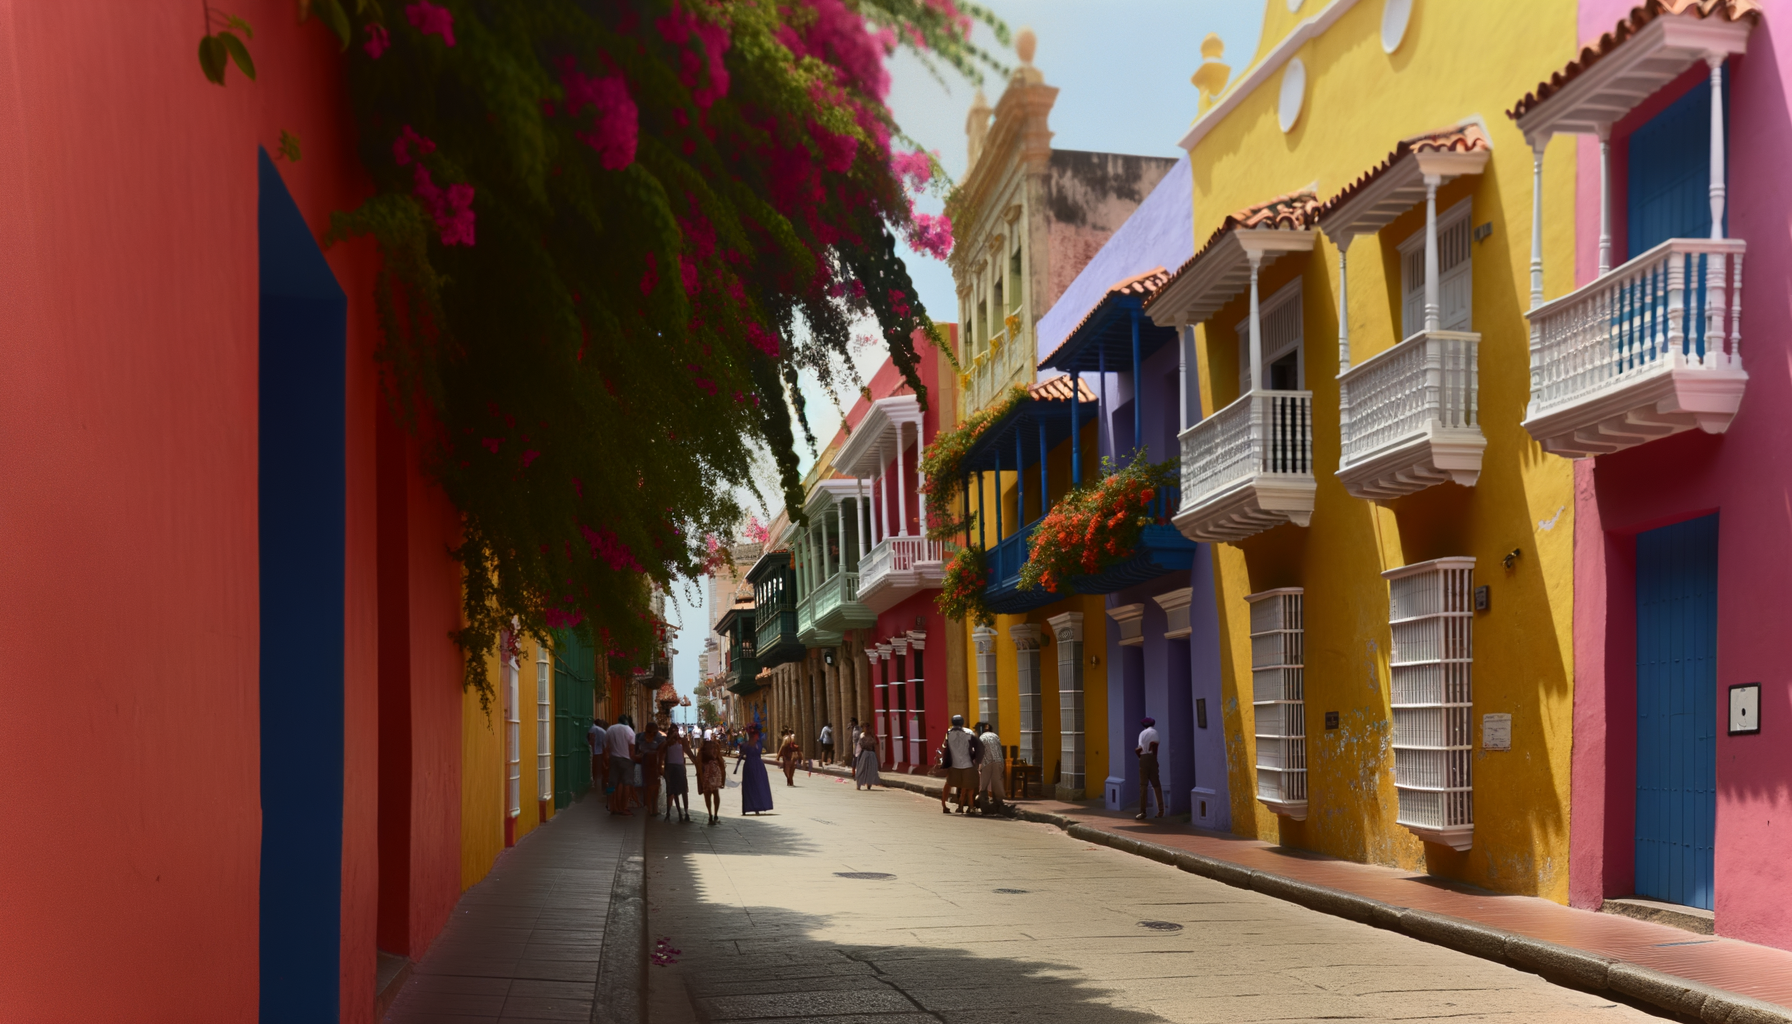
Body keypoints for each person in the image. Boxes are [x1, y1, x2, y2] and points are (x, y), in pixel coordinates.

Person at [938, 714, 979, 814]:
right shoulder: (969, 732)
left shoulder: (949, 732)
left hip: (953, 763)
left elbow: (945, 746)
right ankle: (967, 805)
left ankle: (944, 805)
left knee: (948, 783)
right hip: (966, 762)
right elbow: (974, 747)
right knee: (968, 784)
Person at [735, 725, 774, 814]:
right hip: (750, 766)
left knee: (759, 785)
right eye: (755, 735)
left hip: (758, 767)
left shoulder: (758, 745)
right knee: (750, 786)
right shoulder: (747, 745)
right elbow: (741, 755)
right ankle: (750, 807)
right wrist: (737, 766)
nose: (757, 737)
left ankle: (759, 806)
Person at [604, 714, 636, 816]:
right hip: (626, 760)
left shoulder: (610, 729)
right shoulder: (629, 730)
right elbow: (631, 748)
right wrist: (633, 758)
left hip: (613, 759)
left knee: (613, 783)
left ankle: (612, 807)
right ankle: (623, 807)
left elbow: (606, 746)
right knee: (626, 783)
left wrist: (607, 759)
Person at [696, 728, 726, 825]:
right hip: (713, 775)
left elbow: (699, 766)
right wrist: (723, 779)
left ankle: (710, 815)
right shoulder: (714, 749)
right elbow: (721, 764)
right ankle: (715, 815)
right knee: (715, 794)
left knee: (708, 795)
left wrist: (700, 778)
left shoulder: (702, 751)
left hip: (706, 776)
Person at [663, 725, 692, 823]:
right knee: (672, 791)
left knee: (683, 790)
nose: (675, 733)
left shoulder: (682, 741)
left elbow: (688, 752)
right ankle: (672, 813)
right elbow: (663, 753)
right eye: (673, 731)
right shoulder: (667, 742)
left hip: (680, 767)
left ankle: (686, 812)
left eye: (676, 731)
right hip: (671, 767)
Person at [1136, 716, 1164, 821]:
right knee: (1156, 785)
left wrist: (1141, 758)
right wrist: (1154, 759)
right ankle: (1160, 810)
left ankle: (1142, 812)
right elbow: (1154, 745)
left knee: (1143, 786)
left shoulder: (1142, 734)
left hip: (1143, 758)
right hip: (1151, 757)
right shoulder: (1154, 732)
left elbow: (1139, 748)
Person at [636, 721, 665, 818]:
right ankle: (649, 809)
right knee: (648, 787)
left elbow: (661, 750)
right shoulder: (640, 737)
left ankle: (654, 808)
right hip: (646, 765)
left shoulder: (659, 739)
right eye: (649, 732)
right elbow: (638, 751)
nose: (650, 734)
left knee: (655, 787)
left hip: (654, 765)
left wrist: (660, 765)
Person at [975, 721, 1006, 813]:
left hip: (986, 762)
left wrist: (978, 766)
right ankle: (999, 803)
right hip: (998, 761)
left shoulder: (981, 738)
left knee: (984, 784)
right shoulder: (996, 736)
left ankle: (984, 804)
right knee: (997, 782)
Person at [853, 723, 880, 790]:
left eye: (868, 728)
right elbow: (859, 747)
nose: (867, 729)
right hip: (864, 754)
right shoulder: (862, 736)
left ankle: (869, 784)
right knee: (861, 770)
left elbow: (876, 748)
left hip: (872, 755)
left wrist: (878, 760)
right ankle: (859, 784)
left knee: (871, 770)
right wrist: (857, 755)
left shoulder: (873, 737)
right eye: (866, 728)